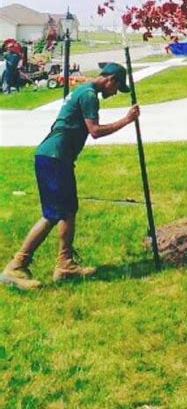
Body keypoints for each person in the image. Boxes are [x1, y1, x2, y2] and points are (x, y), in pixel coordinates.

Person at [0, 63, 140, 290]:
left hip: (58, 158)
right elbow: (95, 131)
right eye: (116, 87)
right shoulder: (89, 96)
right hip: (53, 158)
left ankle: (65, 265)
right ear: (110, 79)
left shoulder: (85, 91)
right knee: (52, 214)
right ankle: (16, 266)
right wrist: (126, 120)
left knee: (68, 211)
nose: (114, 93)